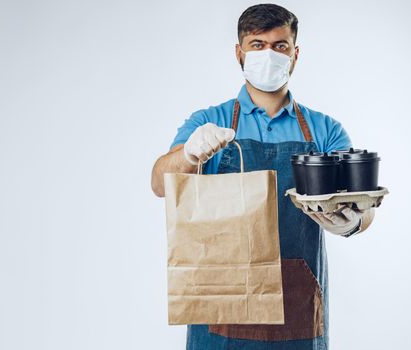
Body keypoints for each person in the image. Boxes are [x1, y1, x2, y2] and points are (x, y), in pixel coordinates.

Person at [151, 4, 375, 349]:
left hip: (296, 298)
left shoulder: (325, 130)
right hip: (222, 295)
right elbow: (158, 183)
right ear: (239, 53)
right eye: (257, 45)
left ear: (295, 54)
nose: (268, 54)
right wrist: (189, 153)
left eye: (279, 46)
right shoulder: (208, 121)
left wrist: (351, 222)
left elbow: (363, 206)